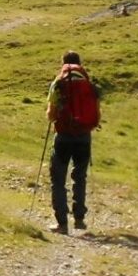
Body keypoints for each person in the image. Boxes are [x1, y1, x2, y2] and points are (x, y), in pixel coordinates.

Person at [46, 50, 99, 234]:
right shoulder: (88, 85)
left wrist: (56, 118)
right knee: (80, 177)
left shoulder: (58, 83)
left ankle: (62, 223)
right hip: (84, 137)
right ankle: (79, 219)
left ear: (63, 64)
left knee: (58, 179)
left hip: (63, 137)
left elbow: (51, 114)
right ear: (80, 63)